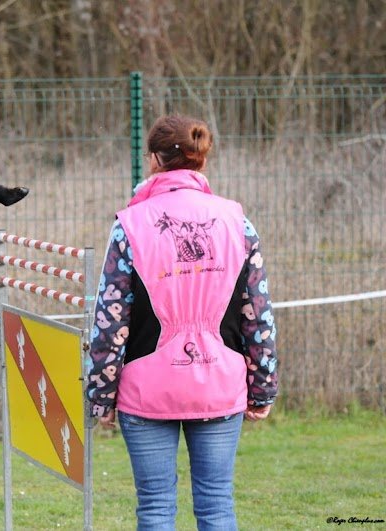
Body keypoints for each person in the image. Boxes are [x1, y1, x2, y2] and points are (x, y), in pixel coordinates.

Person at [87, 114, 278, 530]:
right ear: (201, 162)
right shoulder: (238, 224)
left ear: (155, 160)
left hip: (146, 387)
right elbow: (257, 316)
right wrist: (262, 388)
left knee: (155, 508)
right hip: (219, 384)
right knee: (216, 506)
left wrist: (101, 393)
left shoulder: (128, 227)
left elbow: (110, 319)